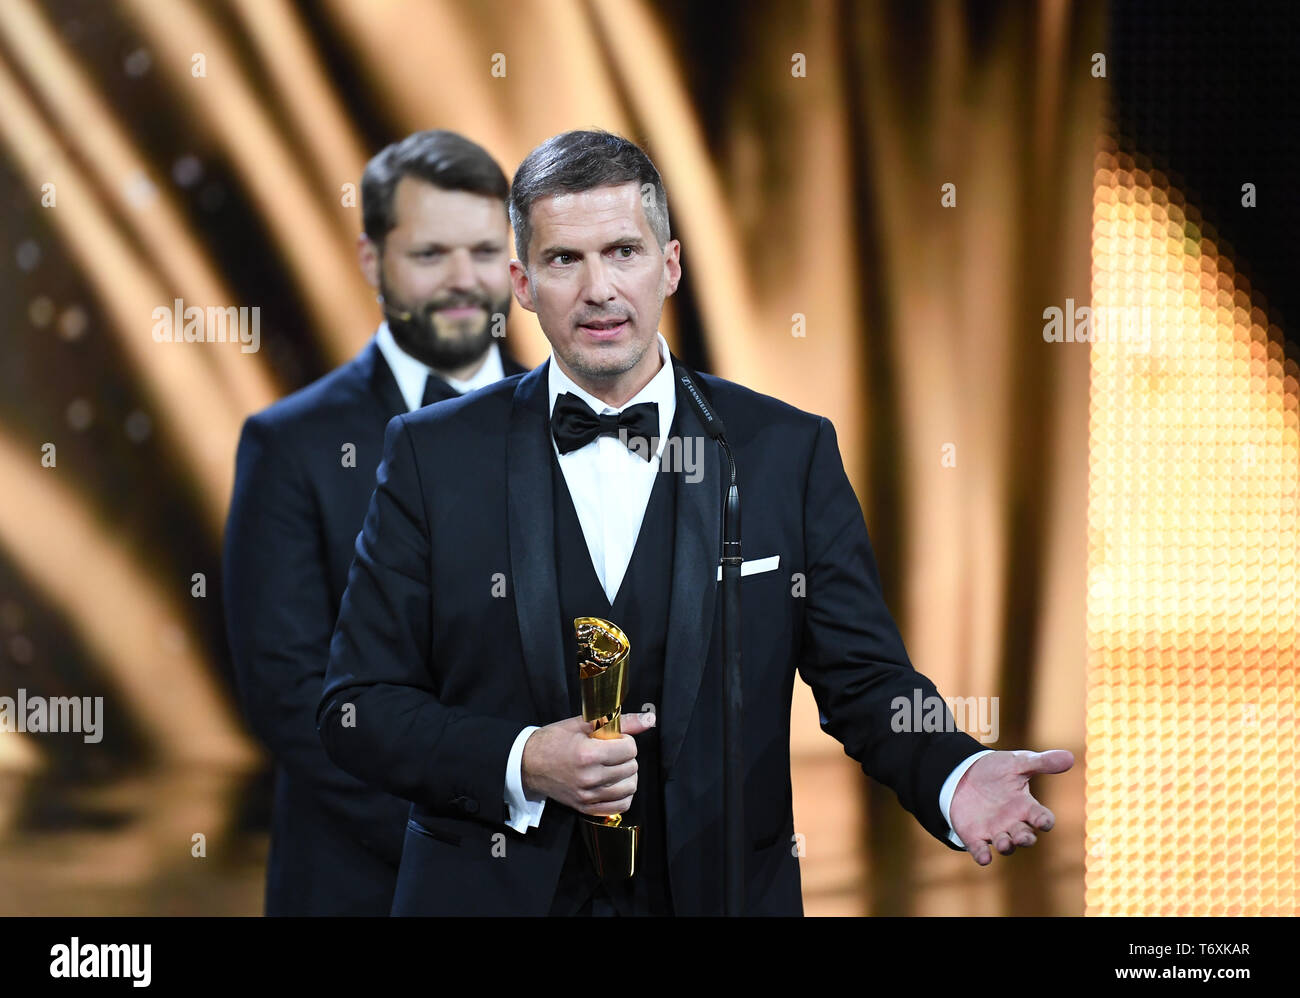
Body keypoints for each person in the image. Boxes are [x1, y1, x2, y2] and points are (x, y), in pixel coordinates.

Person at [317, 129, 1074, 916]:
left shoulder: (786, 450)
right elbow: (358, 705)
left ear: (670, 265)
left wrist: (953, 773)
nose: (599, 289)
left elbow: (863, 678)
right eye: (564, 260)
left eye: (623, 251)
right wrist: (522, 760)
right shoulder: (431, 456)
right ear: (522, 282)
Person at [223, 130, 526, 915]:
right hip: (358, 888)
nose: (464, 281)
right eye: (431, 255)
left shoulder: (579, 419)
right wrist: (475, 841)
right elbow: (290, 697)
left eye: (486, 251)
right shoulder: (288, 444)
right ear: (371, 260)